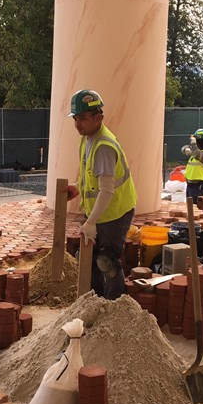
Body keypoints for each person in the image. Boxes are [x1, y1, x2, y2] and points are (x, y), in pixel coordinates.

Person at [65, 89, 137, 300]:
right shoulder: (88, 138)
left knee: (106, 261)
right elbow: (93, 179)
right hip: (99, 211)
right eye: (76, 118)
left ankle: (115, 307)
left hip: (115, 212)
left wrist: (91, 222)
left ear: (99, 117)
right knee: (89, 258)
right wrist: (78, 188)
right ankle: (95, 302)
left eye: (83, 118)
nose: (78, 124)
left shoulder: (103, 145)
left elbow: (107, 190)